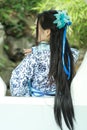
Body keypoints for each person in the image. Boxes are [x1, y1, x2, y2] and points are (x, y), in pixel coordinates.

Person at [10, 10, 75, 130]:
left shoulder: (34, 57)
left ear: (47, 32)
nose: (37, 31)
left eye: (38, 28)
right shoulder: (70, 56)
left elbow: (17, 85)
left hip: (36, 113)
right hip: (62, 111)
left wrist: (29, 98)